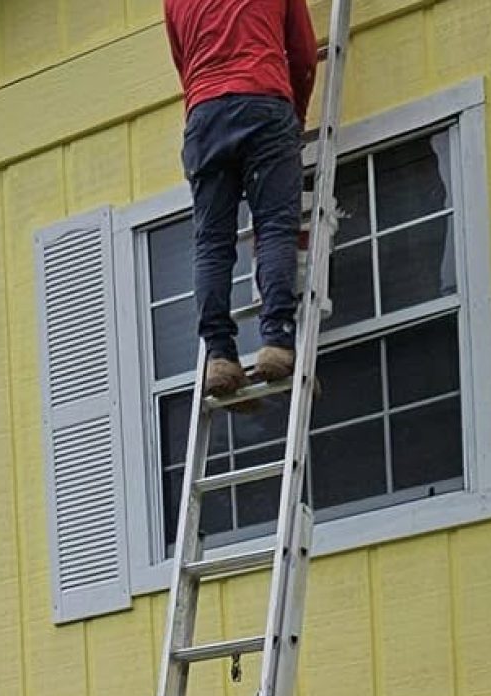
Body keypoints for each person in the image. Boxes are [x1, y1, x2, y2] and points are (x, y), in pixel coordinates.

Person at [164, 0, 320, 401]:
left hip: (204, 116)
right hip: (264, 99)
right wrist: (294, 119)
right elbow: (303, 55)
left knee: (212, 243)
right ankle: (277, 341)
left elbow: (184, 65)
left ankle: (219, 356)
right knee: (274, 227)